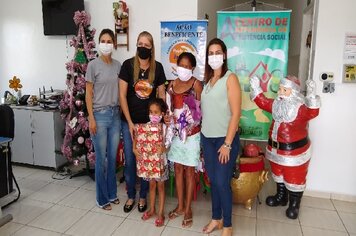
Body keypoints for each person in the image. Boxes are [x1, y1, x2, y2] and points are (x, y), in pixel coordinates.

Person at [249, 75, 320, 219]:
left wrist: (312, 94)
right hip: (276, 151)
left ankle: (294, 204)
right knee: (278, 175)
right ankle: (281, 197)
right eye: (280, 89)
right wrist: (256, 88)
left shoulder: (300, 109)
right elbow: (263, 102)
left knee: (295, 179)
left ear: (293, 93)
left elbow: (313, 112)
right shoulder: (277, 105)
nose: (280, 93)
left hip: (294, 153)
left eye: (285, 90)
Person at [119, 31, 166, 213]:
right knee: (131, 161)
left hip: (150, 126)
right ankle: (131, 195)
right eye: (140, 44)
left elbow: (161, 95)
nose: (143, 48)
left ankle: (144, 196)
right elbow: (122, 95)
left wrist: (159, 123)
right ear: (136, 45)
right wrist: (130, 122)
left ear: (151, 48)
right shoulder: (128, 66)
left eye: (147, 45)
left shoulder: (158, 68)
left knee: (149, 161)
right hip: (129, 122)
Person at [200, 38, 241, 236]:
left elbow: (236, 113)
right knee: (213, 181)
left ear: (224, 55)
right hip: (207, 138)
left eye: (218, 52)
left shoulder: (230, 78)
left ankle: (228, 225)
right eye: (211, 53)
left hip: (225, 140)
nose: (214, 56)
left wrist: (227, 144)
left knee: (222, 182)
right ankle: (216, 218)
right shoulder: (207, 81)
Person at [85, 29, 121, 210]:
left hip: (115, 116)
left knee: (112, 158)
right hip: (99, 116)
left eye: (109, 41)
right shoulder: (93, 65)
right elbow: (88, 94)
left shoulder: (118, 65)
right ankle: (101, 198)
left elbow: (121, 92)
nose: (106, 44)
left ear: (114, 44)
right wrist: (91, 118)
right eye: (103, 40)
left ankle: (112, 193)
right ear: (99, 43)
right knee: (101, 160)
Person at [166, 52, 202, 228]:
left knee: (189, 171)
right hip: (175, 136)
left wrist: (188, 125)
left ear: (193, 68)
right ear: (177, 66)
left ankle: (188, 209)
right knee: (178, 168)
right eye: (182, 65)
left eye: (188, 66)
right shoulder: (171, 85)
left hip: (192, 135)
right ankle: (180, 206)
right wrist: (168, 119)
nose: (184, 69)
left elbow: (200, 112)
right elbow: (168, 108)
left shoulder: (196, 84)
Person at [133, 98, 168, 227]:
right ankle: (152, 209)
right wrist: (134, 148)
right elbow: (137, 138)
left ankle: (161, 213)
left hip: (161, 163)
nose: (153, 115)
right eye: (151, 112)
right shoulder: (145, 126)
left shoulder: (164, 128)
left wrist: (164, 148)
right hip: (149, 163)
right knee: (152, 185)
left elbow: (168, 143)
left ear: (162, 114)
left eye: (156, 112)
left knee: (161, 186)